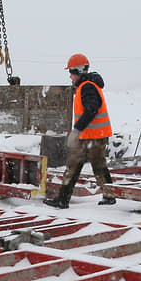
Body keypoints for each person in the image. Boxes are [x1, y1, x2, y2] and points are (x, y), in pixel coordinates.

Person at [43, 53, 116, 209]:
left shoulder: (87, 87)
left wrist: (76, 130)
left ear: (78, 71)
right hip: (92, 136)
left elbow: (91, 110)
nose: (70, 76)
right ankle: (65, 199)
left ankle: (64, 199)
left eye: (71, 72)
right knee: (82, 165)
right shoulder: (88, 85)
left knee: (85, 165)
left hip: (93, 136)